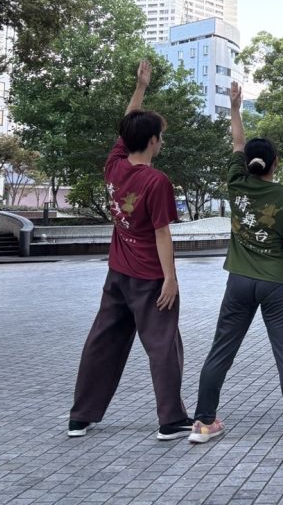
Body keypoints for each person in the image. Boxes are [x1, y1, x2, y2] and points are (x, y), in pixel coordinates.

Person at [67, 59, 193, 440]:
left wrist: (140, 87)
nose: (162, 141)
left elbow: (126, 125)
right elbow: (162, 234)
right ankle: (171, 420)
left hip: (118, 274)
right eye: (161, 136)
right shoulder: (156, 181)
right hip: (149, 278)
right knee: (163, 345)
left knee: (102, 341)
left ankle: (80, 417)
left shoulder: (115, 166)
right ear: (153, 140)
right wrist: (170, 279)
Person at [189, 82, 283, 445]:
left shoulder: (236, 183)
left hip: (239, 281)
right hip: (276, 283)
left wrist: (235, 108)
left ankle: (203, 422)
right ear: (276, 164)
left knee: (221, 350)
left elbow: (237, 144)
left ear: (247, 165)